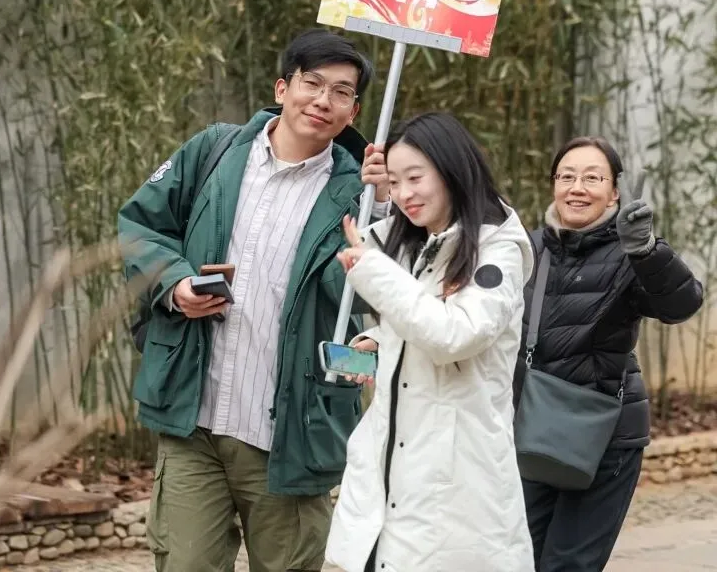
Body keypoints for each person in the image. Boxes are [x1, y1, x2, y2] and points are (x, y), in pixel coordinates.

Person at [117, 28, 392, 572]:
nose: (323, 100)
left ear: (354, 111)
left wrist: (382, 208)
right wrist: (176, 284)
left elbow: (368, 294)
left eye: (341, 92)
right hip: (194, 418)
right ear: (282, 87)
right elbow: (140, 227)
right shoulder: (215, 152)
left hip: (292, 432)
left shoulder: (359, 192)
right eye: (312, 83)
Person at [325, 112, 536, 572]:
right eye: (395, 182)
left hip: (456, 483)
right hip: (391, 469)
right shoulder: (418, 241)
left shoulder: (496, 250)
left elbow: (455, 335)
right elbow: (417, 316)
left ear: (451, 168)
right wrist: (380, 340)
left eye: (415, 178)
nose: (404, 194)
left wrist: (375, 272)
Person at [514, 136, 704, 572]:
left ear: (615, 192)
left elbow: (681, 305)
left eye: (592, 178)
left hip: (605, 437)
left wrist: (647, 251)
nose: (577, 188)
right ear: (553, 185)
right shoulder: (527, 248)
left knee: (570, 564)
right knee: (518, 558)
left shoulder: (631, 253)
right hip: (531, 429)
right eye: (566, 177)